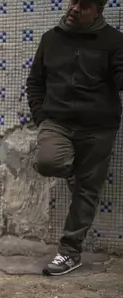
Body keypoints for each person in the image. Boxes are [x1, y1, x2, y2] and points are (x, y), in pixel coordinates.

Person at [27, 0, 123, 276]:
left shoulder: (113, 41)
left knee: (87, 190)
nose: (75, 8)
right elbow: (35, 82)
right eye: (74, 1)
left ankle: (70, 253)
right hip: (57, 122)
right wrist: (41, 117)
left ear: (98, 10)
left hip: (99, 128)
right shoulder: (51, 39)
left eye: (84, 5)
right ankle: (73, 172)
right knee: (48, 162)